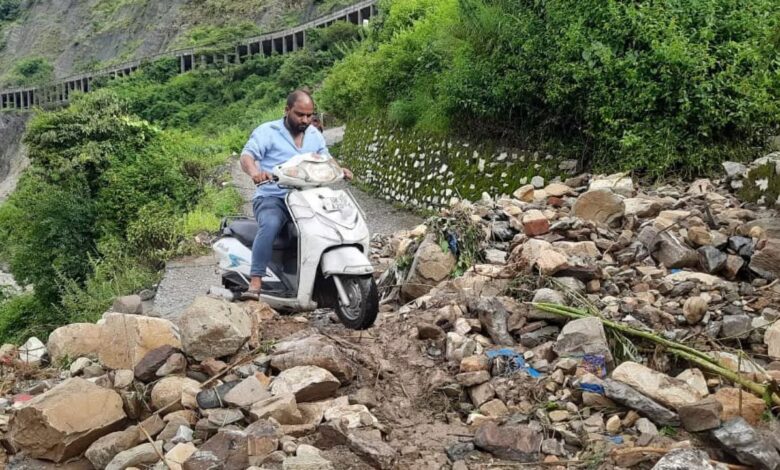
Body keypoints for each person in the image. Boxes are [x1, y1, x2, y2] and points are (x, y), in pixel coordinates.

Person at [238, 89, 352, 300]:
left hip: (309, 198)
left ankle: (326, 279)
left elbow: (326, 158)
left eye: (309, 115)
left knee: (333, 225)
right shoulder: (267, 131)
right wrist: (255, 173)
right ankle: (255, 282)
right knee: (270, 225)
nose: (305, 120)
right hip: (274, 197)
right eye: (300, 114)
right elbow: (247, 156)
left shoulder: (314, 134)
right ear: (287, 110)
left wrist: (340, 169)